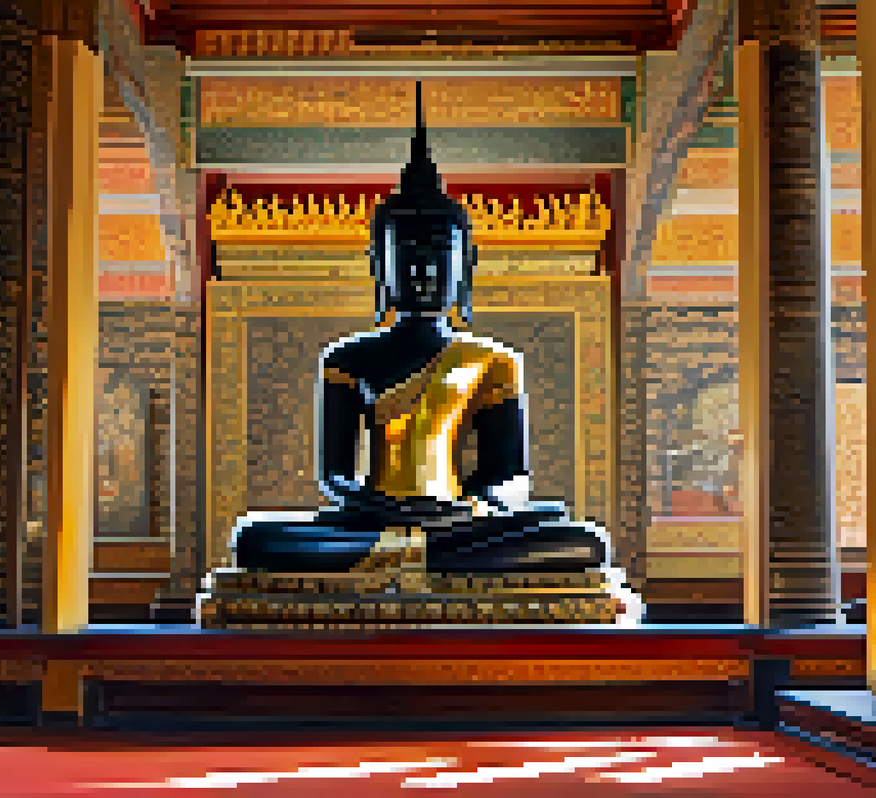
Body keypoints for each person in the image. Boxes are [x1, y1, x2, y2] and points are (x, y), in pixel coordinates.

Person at [229, 84, 609, 575]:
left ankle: (409, 559)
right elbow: (335, 474)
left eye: (437, 259)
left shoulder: (493, 362)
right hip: (374, 518)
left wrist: (470, 506)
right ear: (380, 269)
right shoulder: (347, 359)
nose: (421, 272)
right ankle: (425, 560)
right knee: (255, 539)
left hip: (459, 520)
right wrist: (383, 509)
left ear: (463, 269)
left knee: (579, 539)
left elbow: (510, 475)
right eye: (406, 257)